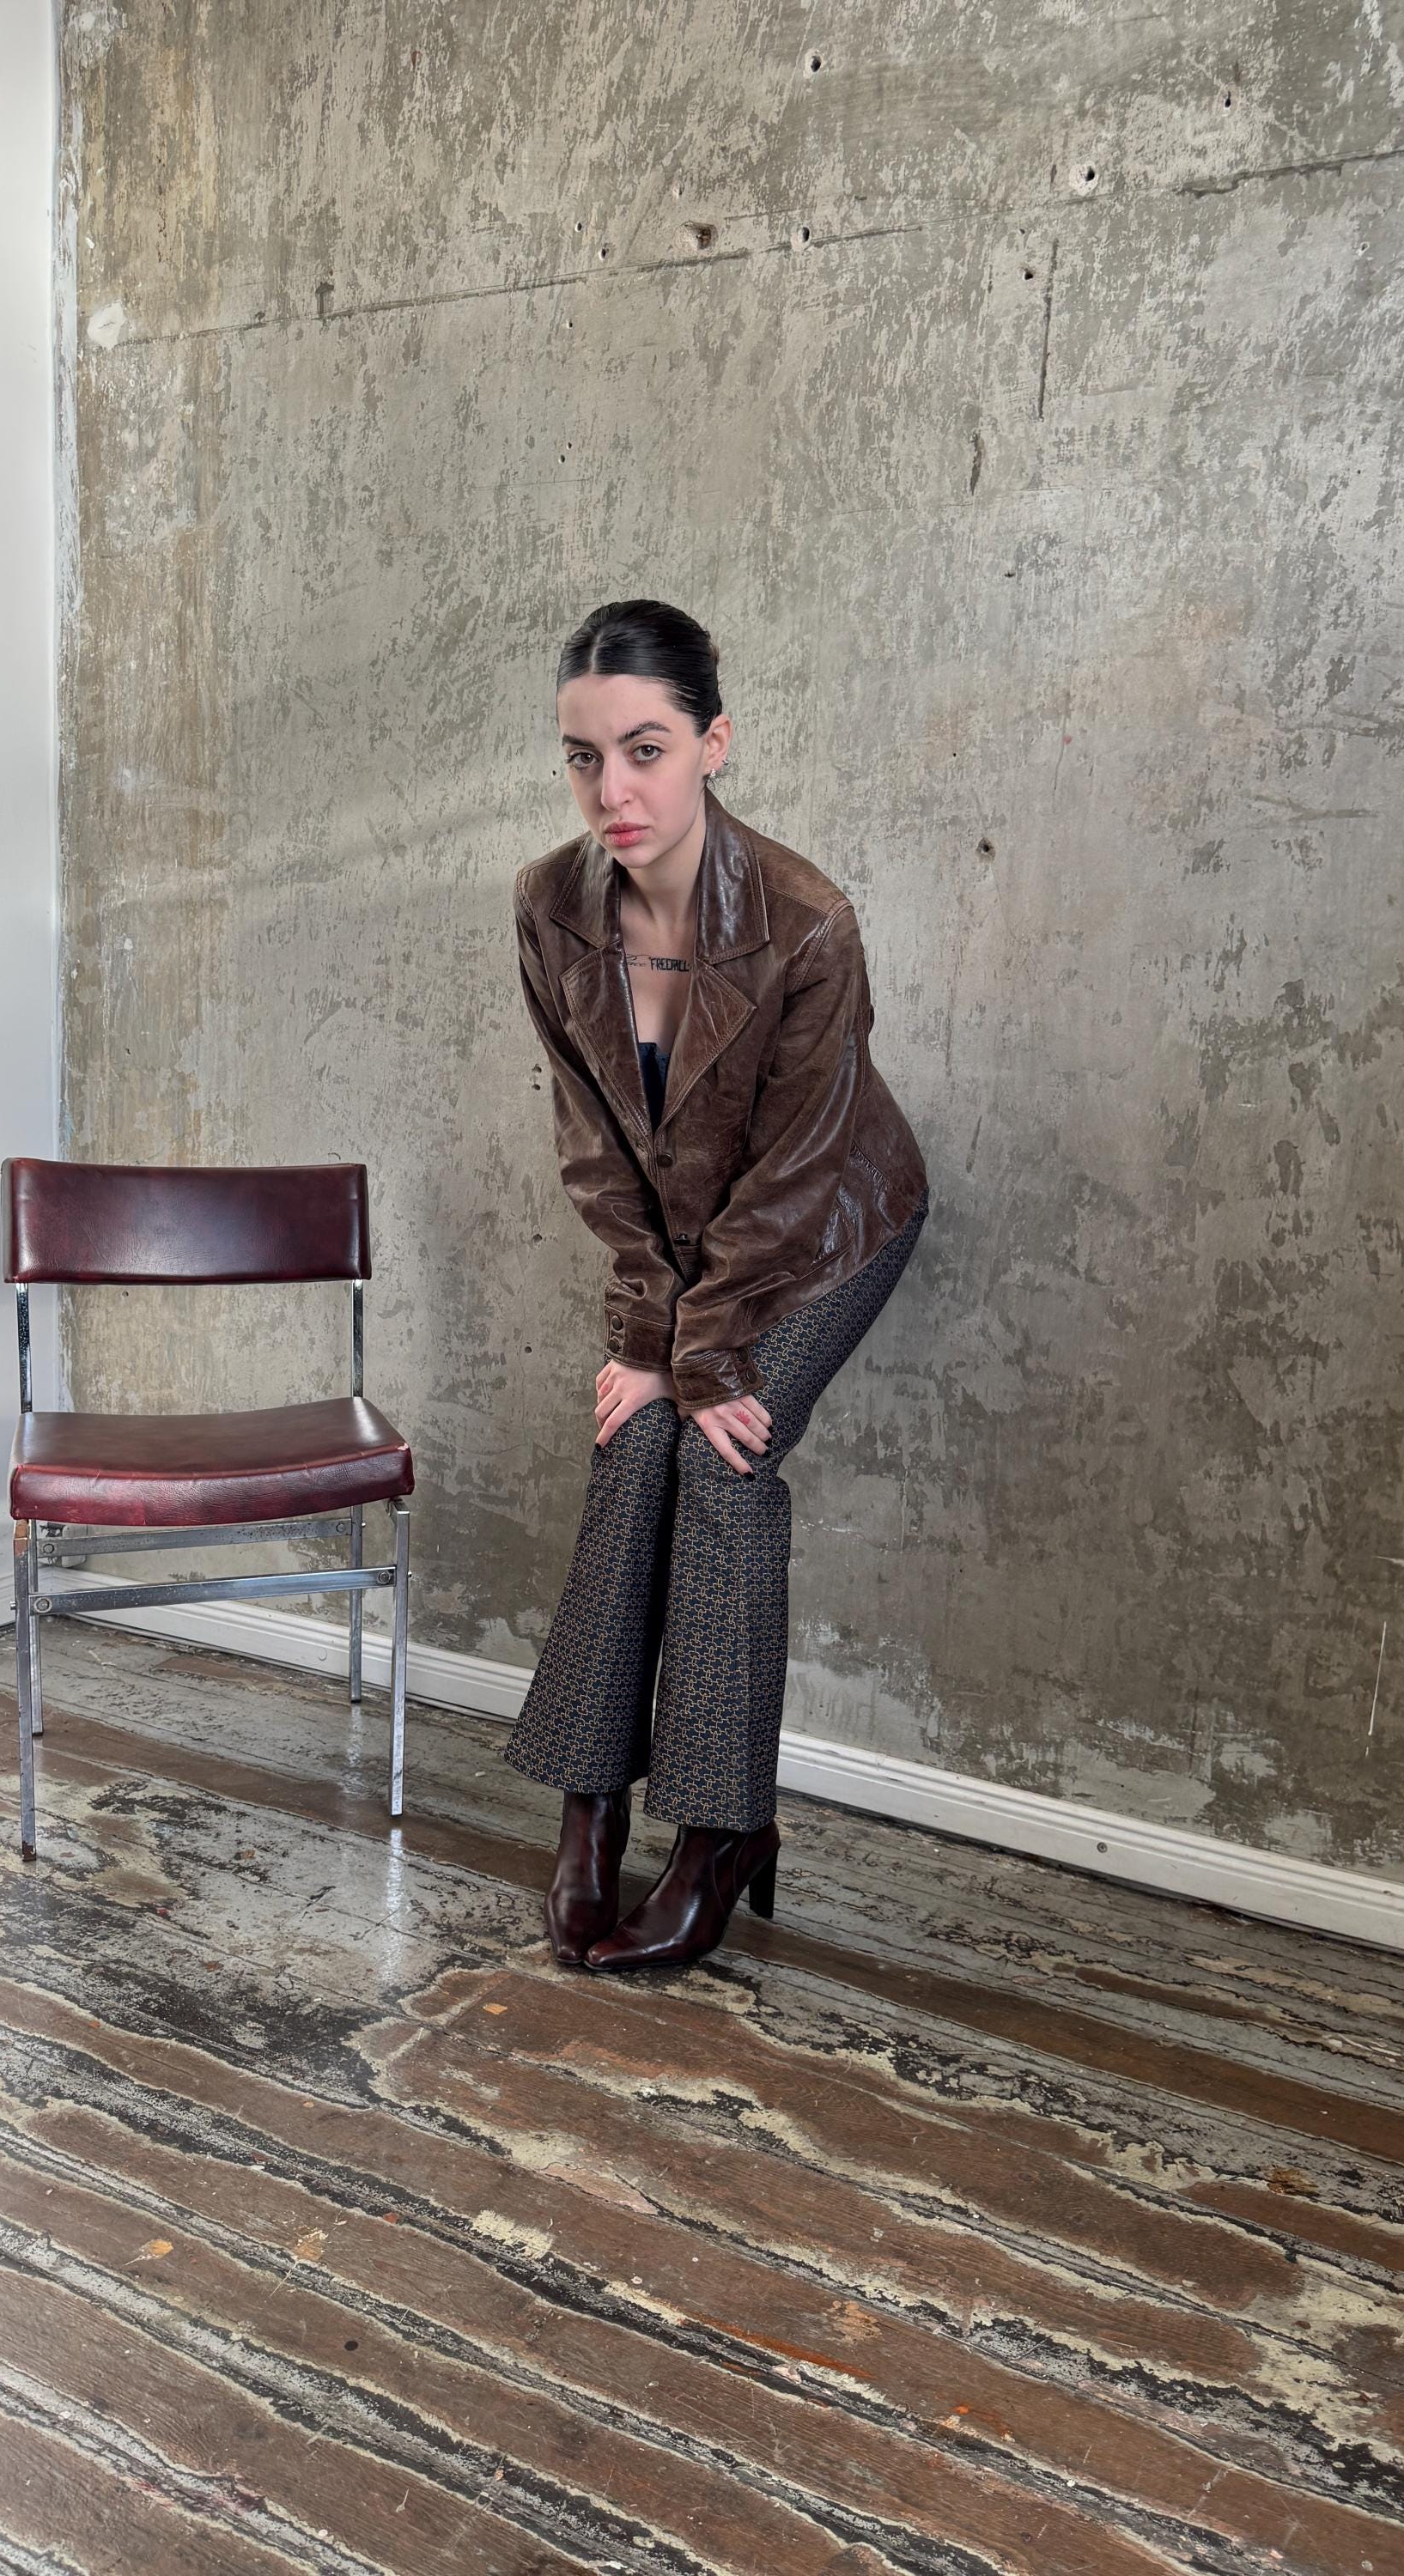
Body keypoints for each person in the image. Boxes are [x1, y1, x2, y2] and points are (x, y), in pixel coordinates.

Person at [502, 598, 930, 1971]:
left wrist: (698, 1359)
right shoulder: (550, 908)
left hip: (832, 1226)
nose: (612, 792)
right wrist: (648, 1336)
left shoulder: (807, 922)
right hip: (688, 1251)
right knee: (636, 1446)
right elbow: (594, 1145)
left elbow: (798, 1173)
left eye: (646, 749)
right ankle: (588, 1811)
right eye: (583, 757)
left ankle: (718, 1831)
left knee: (719, 1453)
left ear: (714, 743)